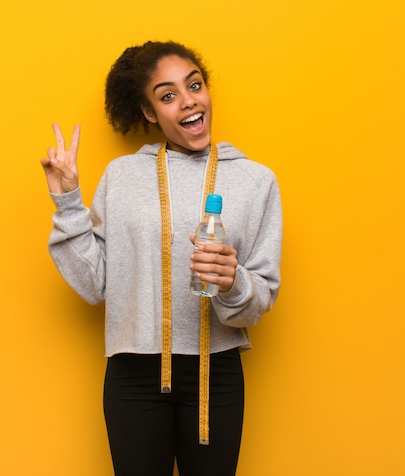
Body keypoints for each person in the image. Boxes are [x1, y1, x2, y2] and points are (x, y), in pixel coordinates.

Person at [40, 40, 282, 476]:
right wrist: (68, 201)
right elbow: (95, 284)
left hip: (216, 376)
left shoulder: (256, 181)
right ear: (150, 113)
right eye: (167, 95)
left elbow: (260, 296)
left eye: (195, 85)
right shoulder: (123, 176)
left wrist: (234, 281)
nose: (188, 101)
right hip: (133, 374)